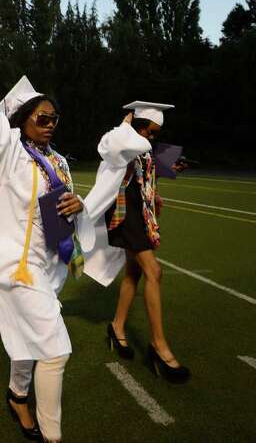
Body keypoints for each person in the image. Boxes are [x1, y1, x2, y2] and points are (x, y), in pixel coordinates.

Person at [0, 7, 92, 443]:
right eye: (41, 118)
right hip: (16, 265)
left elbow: (64, 206)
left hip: (48, 264)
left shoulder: (59, 161)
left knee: (28, 338)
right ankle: (52, 435)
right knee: (56, 348)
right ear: (23, 121)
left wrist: (77, 204)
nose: (49, 125)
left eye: (54, 119)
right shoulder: (9, 151)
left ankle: (17, 394)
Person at [82, 102, 190, 383]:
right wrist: (126, 124)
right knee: (154, 271)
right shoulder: (118, 140)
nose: (151, 137)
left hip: (138, 212)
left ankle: (117, 327)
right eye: (149, 131)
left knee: (135, 272)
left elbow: (142, 175)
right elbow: (112, 149)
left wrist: (161, 180)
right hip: (123, 213)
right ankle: (158, 346)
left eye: (155, 134)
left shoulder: (141, 147)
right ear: (137, 124)